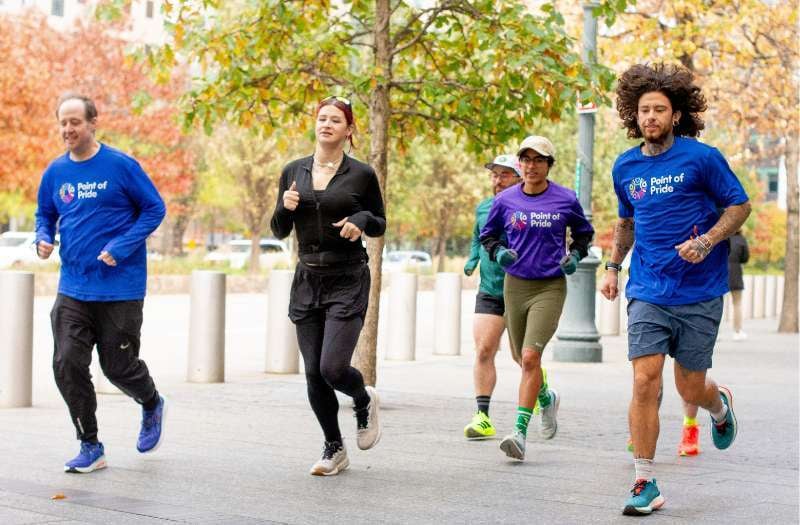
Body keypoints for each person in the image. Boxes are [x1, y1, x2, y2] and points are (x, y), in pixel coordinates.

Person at [601, 63, 750, 516]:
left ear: (676, 115)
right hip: (647, 287)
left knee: (689, 387)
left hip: (700, 290)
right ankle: (644, 479)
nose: (651, 117)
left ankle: (717, 404)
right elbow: (626, 222)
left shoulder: (701, 158)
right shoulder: (625, 165)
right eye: (644, 110)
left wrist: (707, 241)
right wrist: (612, 266)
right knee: (645, 379)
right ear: (634, 115)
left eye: (659, 110)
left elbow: (739, 207)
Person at [35, 93, 167, 473]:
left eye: (75, 121)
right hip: (73, 287)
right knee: (67, 363)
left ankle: (151, 402)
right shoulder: (55, 172)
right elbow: (45, 213)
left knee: (118, 367)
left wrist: (121, 246)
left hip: (120, 289)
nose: (68, 129)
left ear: (93, 123)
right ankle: (90, 444)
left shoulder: (121, 166)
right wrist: (43, 237)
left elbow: (154, 208)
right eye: (63, 122)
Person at [270, 95, 385, 476]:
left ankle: (362, 397)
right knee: (313, 373)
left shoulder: (362, 174)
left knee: (334, 367)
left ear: (348, 129)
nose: (327, 124)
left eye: (336, 120)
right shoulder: (293, 171)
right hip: (308, 278)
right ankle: (334, 447)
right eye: (322, 118)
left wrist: (362, 217)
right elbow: (278, 230)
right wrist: (284, 208)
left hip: (348, 277)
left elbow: (380, 221)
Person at [480, 136, 594, 460]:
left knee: (530, 358)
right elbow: (487, 235)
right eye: (526, 160)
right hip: (515, 285)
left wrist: (575, 256)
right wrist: (498, 252)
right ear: (520, 165)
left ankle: (519, 432)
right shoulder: (506, 200)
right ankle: (546, 397)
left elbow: (584, 234)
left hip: (549, 286)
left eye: (538, 160)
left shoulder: (565, 199)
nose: (531, 166)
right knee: (521, 358)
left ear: (548, 165)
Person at [462, 155, 556, 440]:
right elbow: (478, 238)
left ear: (519, 178)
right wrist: (472, 259)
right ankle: (482, 417)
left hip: (524, 289)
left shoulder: (532, 207)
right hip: (491, 289)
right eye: (494, 175)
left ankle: (543, 394)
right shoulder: (484, 208)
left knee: (523, 358)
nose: (497, 180)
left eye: (505, 175)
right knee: (483, 349)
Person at [728, 230, 750, 340]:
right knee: (737, 303)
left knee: (716, 303)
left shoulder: (720, 237)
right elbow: (745, 258)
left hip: (719, 272)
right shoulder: (741, 239)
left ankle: (714, 332)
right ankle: (737, 331)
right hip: (735, 273)